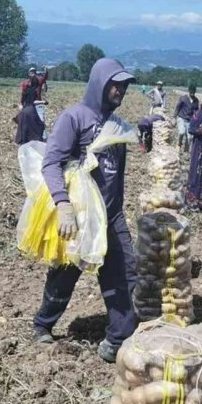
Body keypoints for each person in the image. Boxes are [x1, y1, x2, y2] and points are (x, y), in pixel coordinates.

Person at [34, 58, 138, 363]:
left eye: (124, 85)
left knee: (124, 273)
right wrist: (63, 205)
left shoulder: (117, 126)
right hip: (79, 214)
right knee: (65, 273)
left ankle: (118, 339)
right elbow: (51, 163)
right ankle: (43, 323)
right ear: (99, 84)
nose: (121, 90)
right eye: (115, 84)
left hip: (112, 214)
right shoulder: (74, 118)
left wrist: (116, 209)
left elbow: (117, 175)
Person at [174, 84, 199, 153]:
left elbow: (196, 111)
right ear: (188, 91)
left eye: (193, 92)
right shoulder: (183, 98)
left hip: (190, 120)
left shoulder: (196, 101)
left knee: (190, 137)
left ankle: (186, 150)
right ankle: (179, 144)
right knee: (181, 132)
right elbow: (177, 108)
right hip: (181, 117)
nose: (192, 93)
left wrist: (196, 120)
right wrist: (174, 117)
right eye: (191, 92)